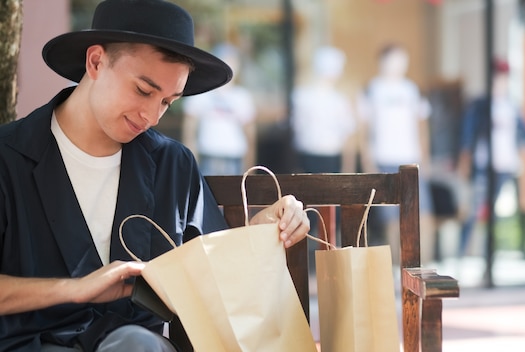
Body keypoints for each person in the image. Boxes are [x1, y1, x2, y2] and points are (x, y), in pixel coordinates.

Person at [0, 1, 310, 351]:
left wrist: (264, 228)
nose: (152, 115)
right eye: (143, 91)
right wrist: (76, 288)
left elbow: (211, 271)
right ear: (96, 62)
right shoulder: (8, 157)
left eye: (167, 102)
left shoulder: (172, 165)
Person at [357, 43, 435, 265]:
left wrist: (425, 158)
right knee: (392, 219)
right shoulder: (371, 89)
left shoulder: (411, 89)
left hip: (411, 158)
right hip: (384, 159)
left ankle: (424, 265)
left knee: (423, 213)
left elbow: (421, 125)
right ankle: (397, 266)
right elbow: (364, 129)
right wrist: (368, 160)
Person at [456, 58, 525, 257]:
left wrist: (523, 160)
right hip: (483, 164)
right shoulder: (480, 104)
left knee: (493, 212)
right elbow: (467, 134)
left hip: (505, 165)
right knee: (474, 209)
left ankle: (489, 254)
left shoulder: (512, 106)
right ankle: (462, 253)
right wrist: (465, 160)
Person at [182, 43, 256, 175]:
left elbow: (250, 135)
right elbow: (189, 130)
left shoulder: (242, 97)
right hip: (208, 155)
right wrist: (190, 161)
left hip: (234, 156)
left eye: (233, 61)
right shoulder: (200, 94)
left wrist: (250, 169)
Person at [291, 46, 356, 173]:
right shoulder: (338, 100)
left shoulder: (301, 96)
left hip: (319, 155)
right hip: (316, 156)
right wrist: (348, 169)